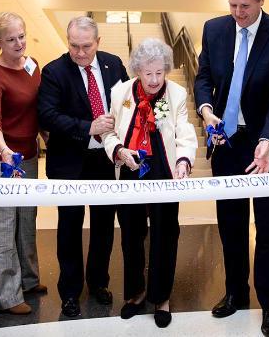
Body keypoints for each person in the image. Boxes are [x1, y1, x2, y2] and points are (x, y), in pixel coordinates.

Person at [193, 0, 269, 337]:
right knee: (231, 223)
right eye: (233, 4)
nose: (238, 12)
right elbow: (203, 77)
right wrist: (206, 111)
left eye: (246, 6)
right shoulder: (214, 29)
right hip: (226, 142)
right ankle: (236, 292)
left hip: (266, 144)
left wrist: (267, 141)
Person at [37, 16, 129, 317]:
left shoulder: (113, 65)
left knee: (104, 225)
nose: (79, 52)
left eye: (86, 46)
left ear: (98, 43)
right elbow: (48, 115)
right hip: (69, 162)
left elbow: (128, 103)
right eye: (74, 46)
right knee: (69, 227)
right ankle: (70, 292)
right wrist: (88, 126)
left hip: (105, 159)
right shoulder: (54, 71)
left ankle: (99, 282)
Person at [103, 38, 197, 328]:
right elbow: (109, 133)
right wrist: (118, 151)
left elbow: (184, 130)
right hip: (132, 166)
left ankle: (161, 296)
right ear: (137, 71)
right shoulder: (120, 92)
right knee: (131, 234)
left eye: (160, 73)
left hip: (163, 168)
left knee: (165, 233)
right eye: (148, 74)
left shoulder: (177, 93)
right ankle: (135, 293)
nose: (155, 79)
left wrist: (184, 160)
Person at [0, 12, 47, 315]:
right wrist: (4, 150)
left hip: (28, 153)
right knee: (5, 225)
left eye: (21, 36)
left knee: (27, 221)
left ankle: (29, 280)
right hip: (0, 158)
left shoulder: (32, 66)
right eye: (11, 39)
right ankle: (6, 296)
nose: (19, 43)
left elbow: (40, 109)